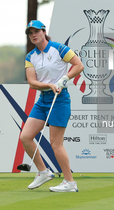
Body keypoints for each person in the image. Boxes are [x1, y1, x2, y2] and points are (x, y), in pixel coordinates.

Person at [20, 20, 84, 192]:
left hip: (60, 99)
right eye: (30, 33)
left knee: (56, 143)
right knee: (25, 137)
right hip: (44, 100)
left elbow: (79, 65)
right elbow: (32, 83)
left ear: (43, 31)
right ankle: (43, 172)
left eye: (36, 31)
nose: (33, 35)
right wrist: (49, 85)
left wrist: (65, 78)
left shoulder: (59, 48)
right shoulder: (30, 57)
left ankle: (70, 182)